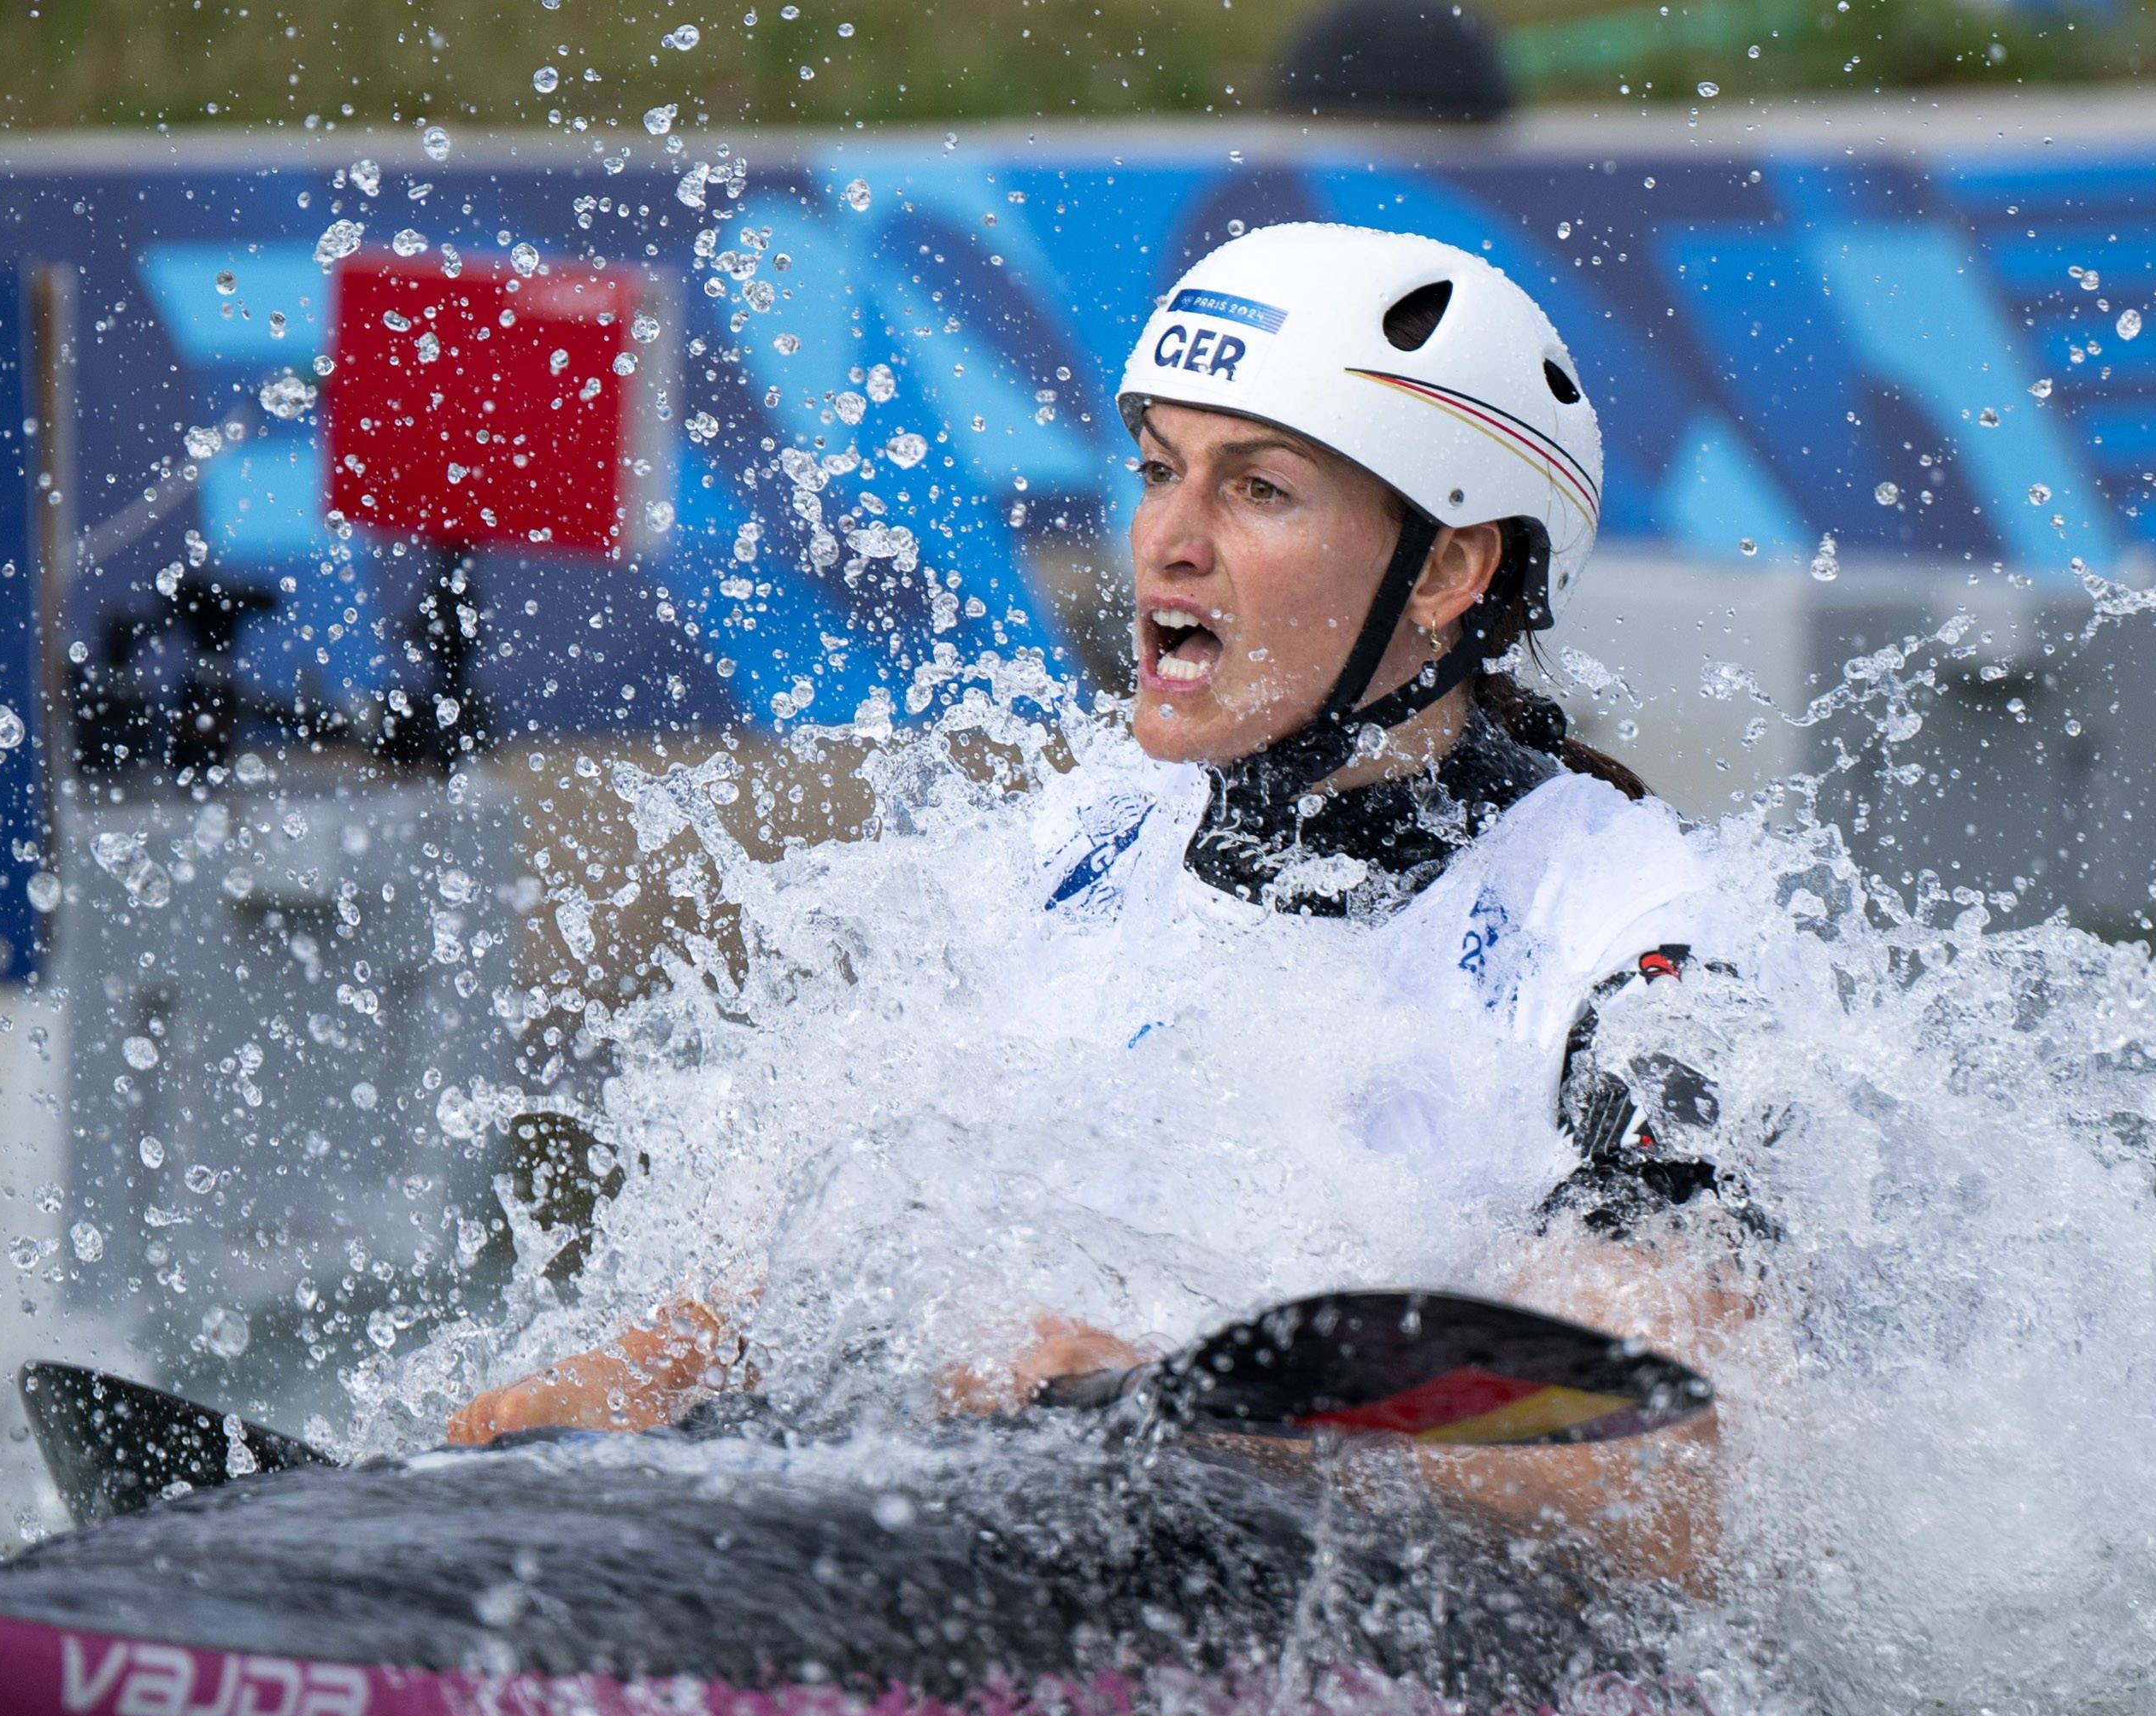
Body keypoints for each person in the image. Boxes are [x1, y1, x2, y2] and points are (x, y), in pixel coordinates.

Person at [447, 224, 1761, 1586]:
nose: (1167, 545)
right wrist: (628, 1381)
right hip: (977, 1544)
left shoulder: (1643, 929)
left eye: (1257, 490)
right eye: (1157, 472)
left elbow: (1659, 1468)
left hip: (1351, 1625)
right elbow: (803, 1233)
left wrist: (1189, 1416)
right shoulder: (1068, 836)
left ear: (1444, 571)